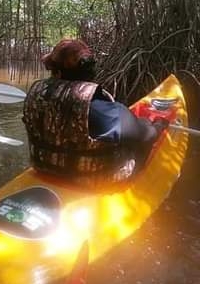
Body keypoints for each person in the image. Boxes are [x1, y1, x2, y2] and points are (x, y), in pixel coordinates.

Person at [22, 38, 172, 186]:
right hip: (92, 179)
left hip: (43, 167)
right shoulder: (99, 108)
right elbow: (146, 135)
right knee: (141, 140)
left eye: (51, 67)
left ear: (58, 72)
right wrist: (158, 125)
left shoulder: (35, 94)